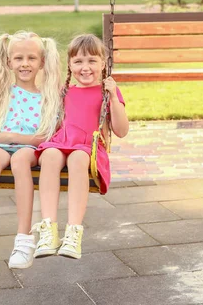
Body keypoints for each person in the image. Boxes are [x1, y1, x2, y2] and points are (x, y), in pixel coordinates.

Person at [0, 31, 61, 276]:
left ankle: (24, 240)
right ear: (9, 62)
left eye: (31, 58)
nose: (25, 63)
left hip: (30, 148)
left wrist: (12, 138)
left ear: (42, 62)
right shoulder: (1, 92)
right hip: (0, 147)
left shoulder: (48, 96)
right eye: (18, 58)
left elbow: (44, 137)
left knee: (20, 159)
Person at [33, 34, 129, 260]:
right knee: (49, 155)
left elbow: (121, 130)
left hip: (88, 148)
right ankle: (48, 229)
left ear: (103, 64)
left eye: (92, 61)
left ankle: (73, 232)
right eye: (78, 61)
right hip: (62, 142)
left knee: (76, 158)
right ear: (70, 65)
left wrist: (114, 98)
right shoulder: (65, 92)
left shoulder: (108, 93)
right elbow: (53, 126)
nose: (85, 67)